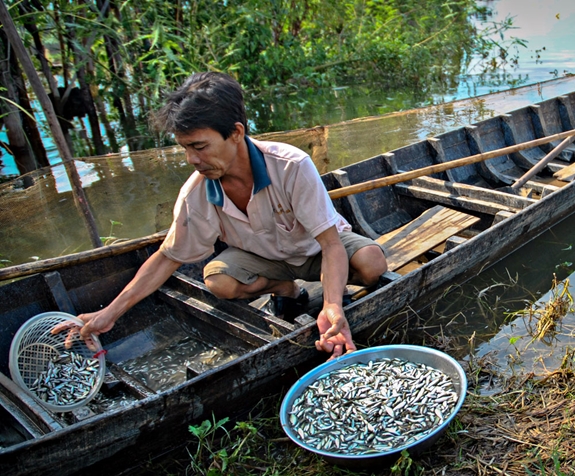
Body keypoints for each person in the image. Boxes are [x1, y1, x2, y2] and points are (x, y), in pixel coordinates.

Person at [59, 72, 387, 359]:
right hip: (263, 259)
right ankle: (287, 290)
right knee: (217, 280)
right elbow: (167, 257)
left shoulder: (291, 166)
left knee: (373, 263)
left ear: (236, 133)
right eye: (185, 148)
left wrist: (332, 305)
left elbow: (330, 245)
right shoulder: (197, 192)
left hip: (314, 249)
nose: (191, 158)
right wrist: (109, 313)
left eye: (200, 146)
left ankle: (320, 290)